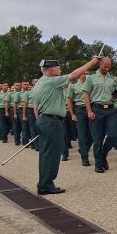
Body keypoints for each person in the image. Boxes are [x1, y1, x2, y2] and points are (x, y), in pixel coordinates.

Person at [33, 57, 99, 195]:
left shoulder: (40, 82)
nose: (61, 70)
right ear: (51, 71)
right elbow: (74, 75)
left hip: (45, 120)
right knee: (52, 155)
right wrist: (92, 62)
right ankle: (46, 185)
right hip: (51, 122)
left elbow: (36, 107)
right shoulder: (51, 81)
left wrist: (41, 121)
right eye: (58, 68)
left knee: (46, 155)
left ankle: (44, 183)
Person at [84, 57, 117, 173]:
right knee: (98, 139)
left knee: (113, 135)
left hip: (111, 109)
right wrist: (89, 111)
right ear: (100, 64)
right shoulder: (91, 78)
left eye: (109, 66)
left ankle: (103, 154)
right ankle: (98, 164)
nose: (107, 68)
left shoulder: (114, 79)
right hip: (97, 109)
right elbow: (86, 95)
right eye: (104, 66)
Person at [67, 72, 92, 166]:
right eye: (84, 73)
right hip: (80, 110)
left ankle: (83, 149)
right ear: (79, 75)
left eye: (87, 73)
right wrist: (72, 114)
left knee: (93, 134)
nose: (86, 75)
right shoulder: (73, 86)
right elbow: (69, 100)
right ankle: (84, 158)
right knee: (81, 134)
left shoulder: (91, 83)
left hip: (91, 109)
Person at [19, 81, 33, 147]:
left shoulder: (31, 92)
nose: (26, 85)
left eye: (27, 84)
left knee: (31, 126)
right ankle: (25, 142)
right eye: (24, 84)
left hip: (30, 110)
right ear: (21, 85)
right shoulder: (19, 93)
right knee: (24, 126)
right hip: (22, 110)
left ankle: (31, 141)